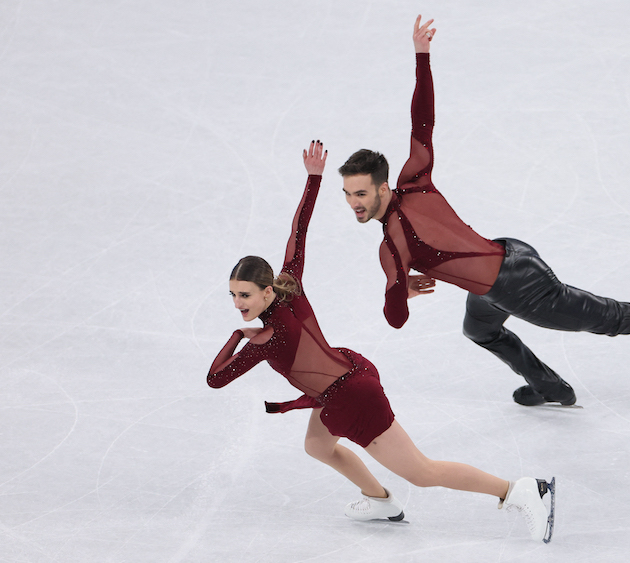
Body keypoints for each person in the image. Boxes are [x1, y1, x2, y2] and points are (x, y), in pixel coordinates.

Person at [338, 16, 630, 407]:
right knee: (479, 329)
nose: (354, 203)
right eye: (347, 194)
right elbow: (421, 124)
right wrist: (421, 55)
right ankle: (548, 385)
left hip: (518, 287)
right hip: (509, 256)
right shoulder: (416, 180)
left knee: (612, 317)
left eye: (360, 193)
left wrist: (399, 288)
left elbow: (395, 319)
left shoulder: (393, 246)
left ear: (383, 187)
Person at [207, 141, 556, 542]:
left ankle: (521, 490)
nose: (238, 304)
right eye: (233, 296)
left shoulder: (264, 337)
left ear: (267, 291)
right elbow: (298, 230)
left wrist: (237, 336)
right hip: (345, 375)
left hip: (352, 397)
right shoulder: (290, 284)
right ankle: (380, 500)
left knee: (422, 472)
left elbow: (216, 378)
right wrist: (313, 178)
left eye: (245, 295)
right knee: (318, 446)